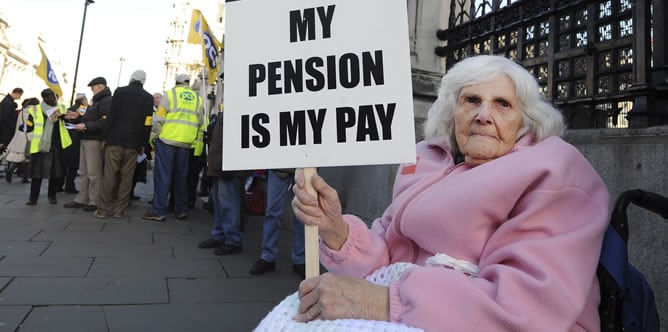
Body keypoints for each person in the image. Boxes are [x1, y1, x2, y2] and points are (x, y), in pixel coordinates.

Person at [268, 55, 610, 330]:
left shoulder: (554, 169)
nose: (483, 115)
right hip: (406, 302)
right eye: (471, 100)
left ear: (525, 120)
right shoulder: (426, 158)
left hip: (473, 320)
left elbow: (529, 308)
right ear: (451, 111)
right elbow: (387, 251)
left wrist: (382, 301)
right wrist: (335, 230)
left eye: (502, 104)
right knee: (293, 315)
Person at [142, 74, 205, 221]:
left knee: (164, 175)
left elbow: (159, 118)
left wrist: (156, 135)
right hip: (186, 142)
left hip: (167, 140)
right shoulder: (197, 99)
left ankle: (158, 210)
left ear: (176, 82)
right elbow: (200, 120)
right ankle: (180, 209)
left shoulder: (170, 94)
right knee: (181, 176)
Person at [94, 70, 153, 218]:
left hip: (114, 140)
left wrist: (104, 138)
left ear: (131, 78)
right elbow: (148, 123)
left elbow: (111, 116)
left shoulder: (120, 92)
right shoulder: (148, 98)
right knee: (127, 178)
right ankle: (120, 210)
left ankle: (102, 210)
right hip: (133, 144)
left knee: (109, 176)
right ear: (143, 81)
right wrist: (143, 144)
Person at [197, 105, 249, 255]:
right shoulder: (228, 107)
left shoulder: (240, 106)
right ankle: (220, 234)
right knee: (219, 202)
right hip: (219, 163)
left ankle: (233, 239)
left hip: (230, 165)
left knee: (229, 204)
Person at [63, 77, 112, 212]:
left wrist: (84, 125)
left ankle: (94, 200)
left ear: (100, 86)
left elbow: (104, 122)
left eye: (93, 87)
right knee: (84, 171)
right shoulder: (96, 101)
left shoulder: (106, 101)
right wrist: (77, 117)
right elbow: (91, 118)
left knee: (93, 172)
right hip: (86, 138)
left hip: (94, 140)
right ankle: (82, 198)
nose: (91, 89)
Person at [249, 169, 306, 279]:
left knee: (302, 214)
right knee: (272, 212)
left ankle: (300, 259)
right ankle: (268, 256)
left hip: (303, 165)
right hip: (279, 166)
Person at [22, 89, 72, 205]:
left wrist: (67, 118)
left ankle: (52, 196)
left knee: (54, 173)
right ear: (45, 98)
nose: (54, 99)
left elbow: (69, 121)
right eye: (52, 97)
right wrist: (24, 127)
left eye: (55, 97)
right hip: (40, 145)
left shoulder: (62, 108)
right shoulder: (35, 109)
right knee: (36, 174)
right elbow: (30, 124)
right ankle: (33, 198)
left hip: (56, 145)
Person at [4, 97, 39, 183]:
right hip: (30, 136)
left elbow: (18, 125)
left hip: (20, 135)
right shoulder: (35, 112)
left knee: (20, 156)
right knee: (26, 157)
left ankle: (12, 170)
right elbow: (35, 125)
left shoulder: (22, 112)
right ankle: (22, 176)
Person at [58, 93, 87, 194]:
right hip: (76, 137)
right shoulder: (83, 108)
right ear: (83, 101)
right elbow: (81, 120)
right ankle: (69, 186)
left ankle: (58, 185)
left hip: (66, 137)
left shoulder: (69, 108)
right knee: (73, 164)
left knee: (63, 163)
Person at [0, 87, 24, 155]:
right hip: (5, 131)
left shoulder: (8, 101)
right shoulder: (8, 103)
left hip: (4, 130)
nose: (20, 97)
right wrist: (13, 125)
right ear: (16, 93)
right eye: (20, 95)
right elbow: (6, 118)